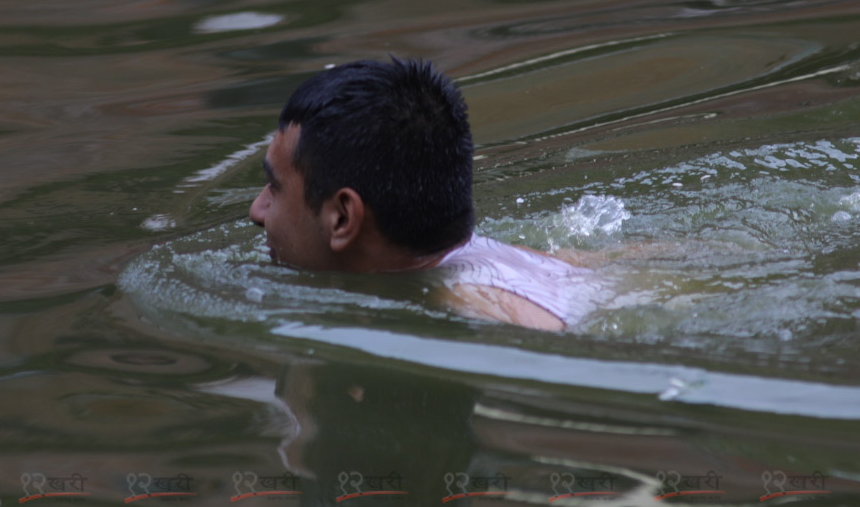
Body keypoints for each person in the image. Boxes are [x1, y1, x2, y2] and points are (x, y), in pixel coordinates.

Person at [249, 58, 605, 330]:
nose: (257, 210)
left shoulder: (484, 321)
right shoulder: (543, 263)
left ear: (342, 218)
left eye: (275, 187)